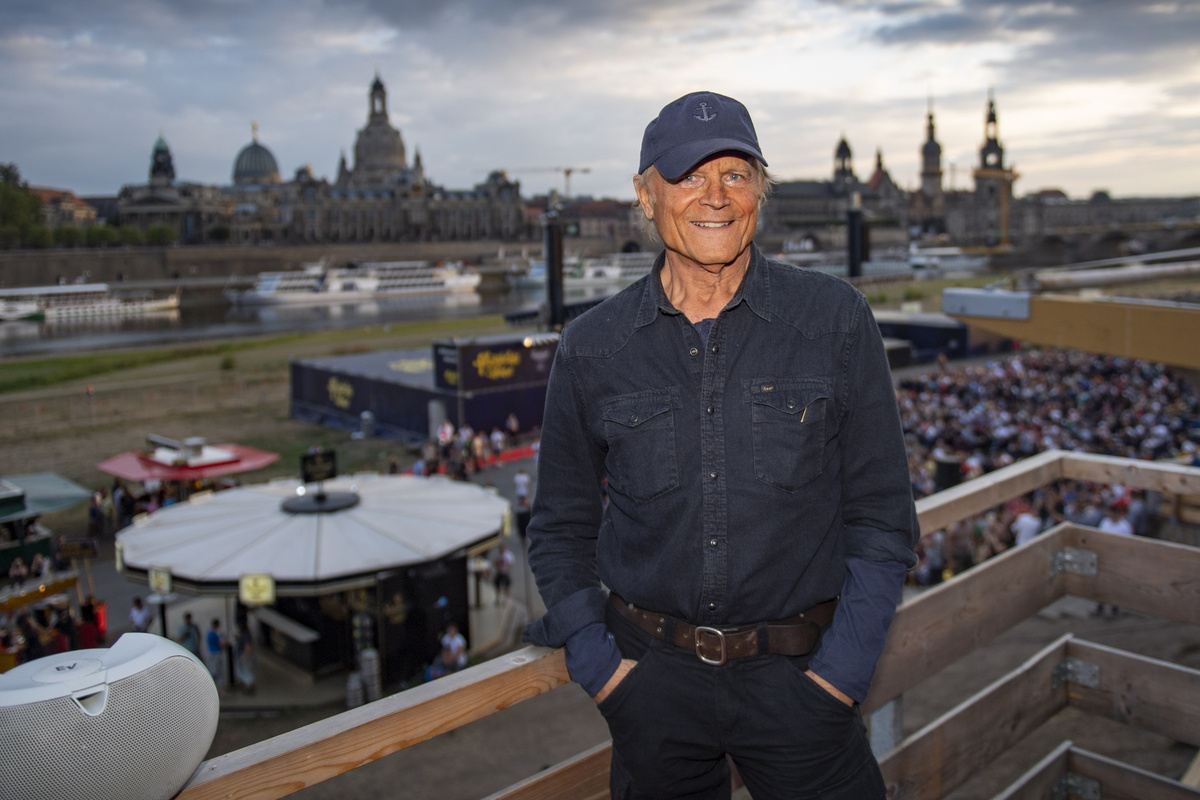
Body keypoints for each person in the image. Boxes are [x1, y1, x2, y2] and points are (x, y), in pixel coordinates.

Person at [522, 91, 919, 799]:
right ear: (645, 197)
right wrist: (605, 674)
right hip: (651, 690)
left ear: (760, 191)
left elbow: (883, 519)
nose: (715, 196)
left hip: (806, 683)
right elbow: (558, 526)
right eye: (687, 176)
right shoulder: (591, 347)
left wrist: (840, 679)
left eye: (735, 174)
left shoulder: (836, 320)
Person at [205, 618, 227, 689]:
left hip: (211, 653)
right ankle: (220, 688)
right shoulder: (215, 635)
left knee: (212, 670)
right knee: (218, 672)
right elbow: (221, 645)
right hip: (216, 654)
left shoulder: (208, 633)